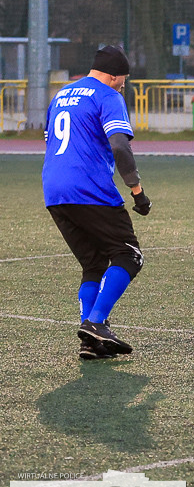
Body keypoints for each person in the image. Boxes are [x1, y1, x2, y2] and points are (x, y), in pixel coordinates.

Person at [42, 45, 151, 360]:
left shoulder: (61, 94)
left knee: (93, 264)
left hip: (54, 190)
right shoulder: (107, 95)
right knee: (129, 256)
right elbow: (119, 146)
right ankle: (95, 322)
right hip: (89, 190)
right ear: (114, 75)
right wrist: (137, 191)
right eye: (123, 80)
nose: (123, 85)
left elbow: (49, 141)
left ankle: (90, 341)